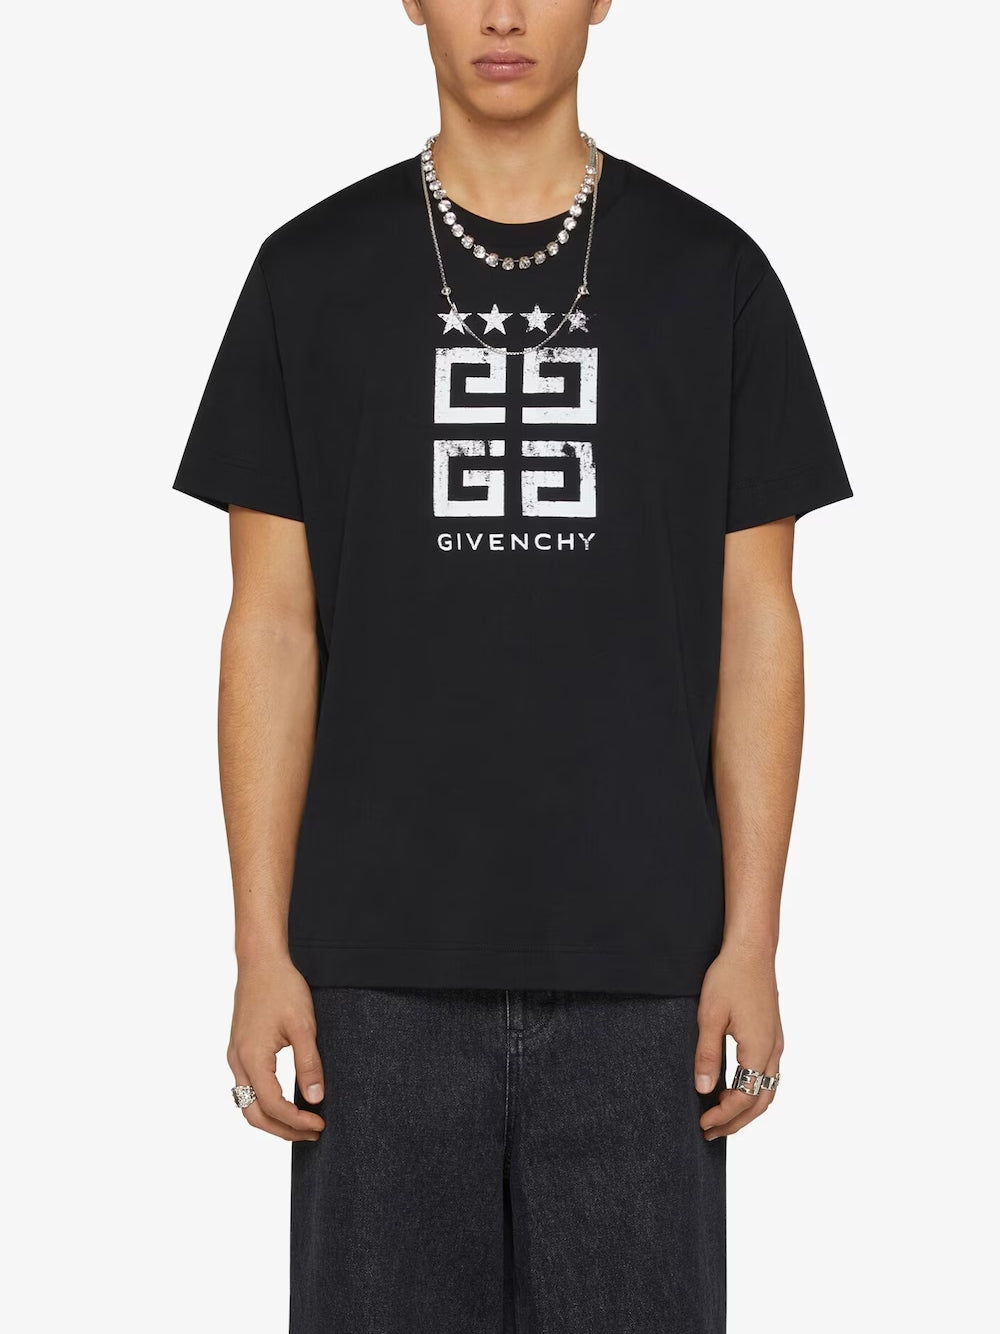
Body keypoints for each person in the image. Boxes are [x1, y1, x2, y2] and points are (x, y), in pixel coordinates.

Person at [171, 2, 852, 1330]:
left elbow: (759, 621)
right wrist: (258, 949)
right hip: (371, 979)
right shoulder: (310, 275)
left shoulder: (712, 277)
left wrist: (753, 941)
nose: (502, 13)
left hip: (646, 978)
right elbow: (270, 625)